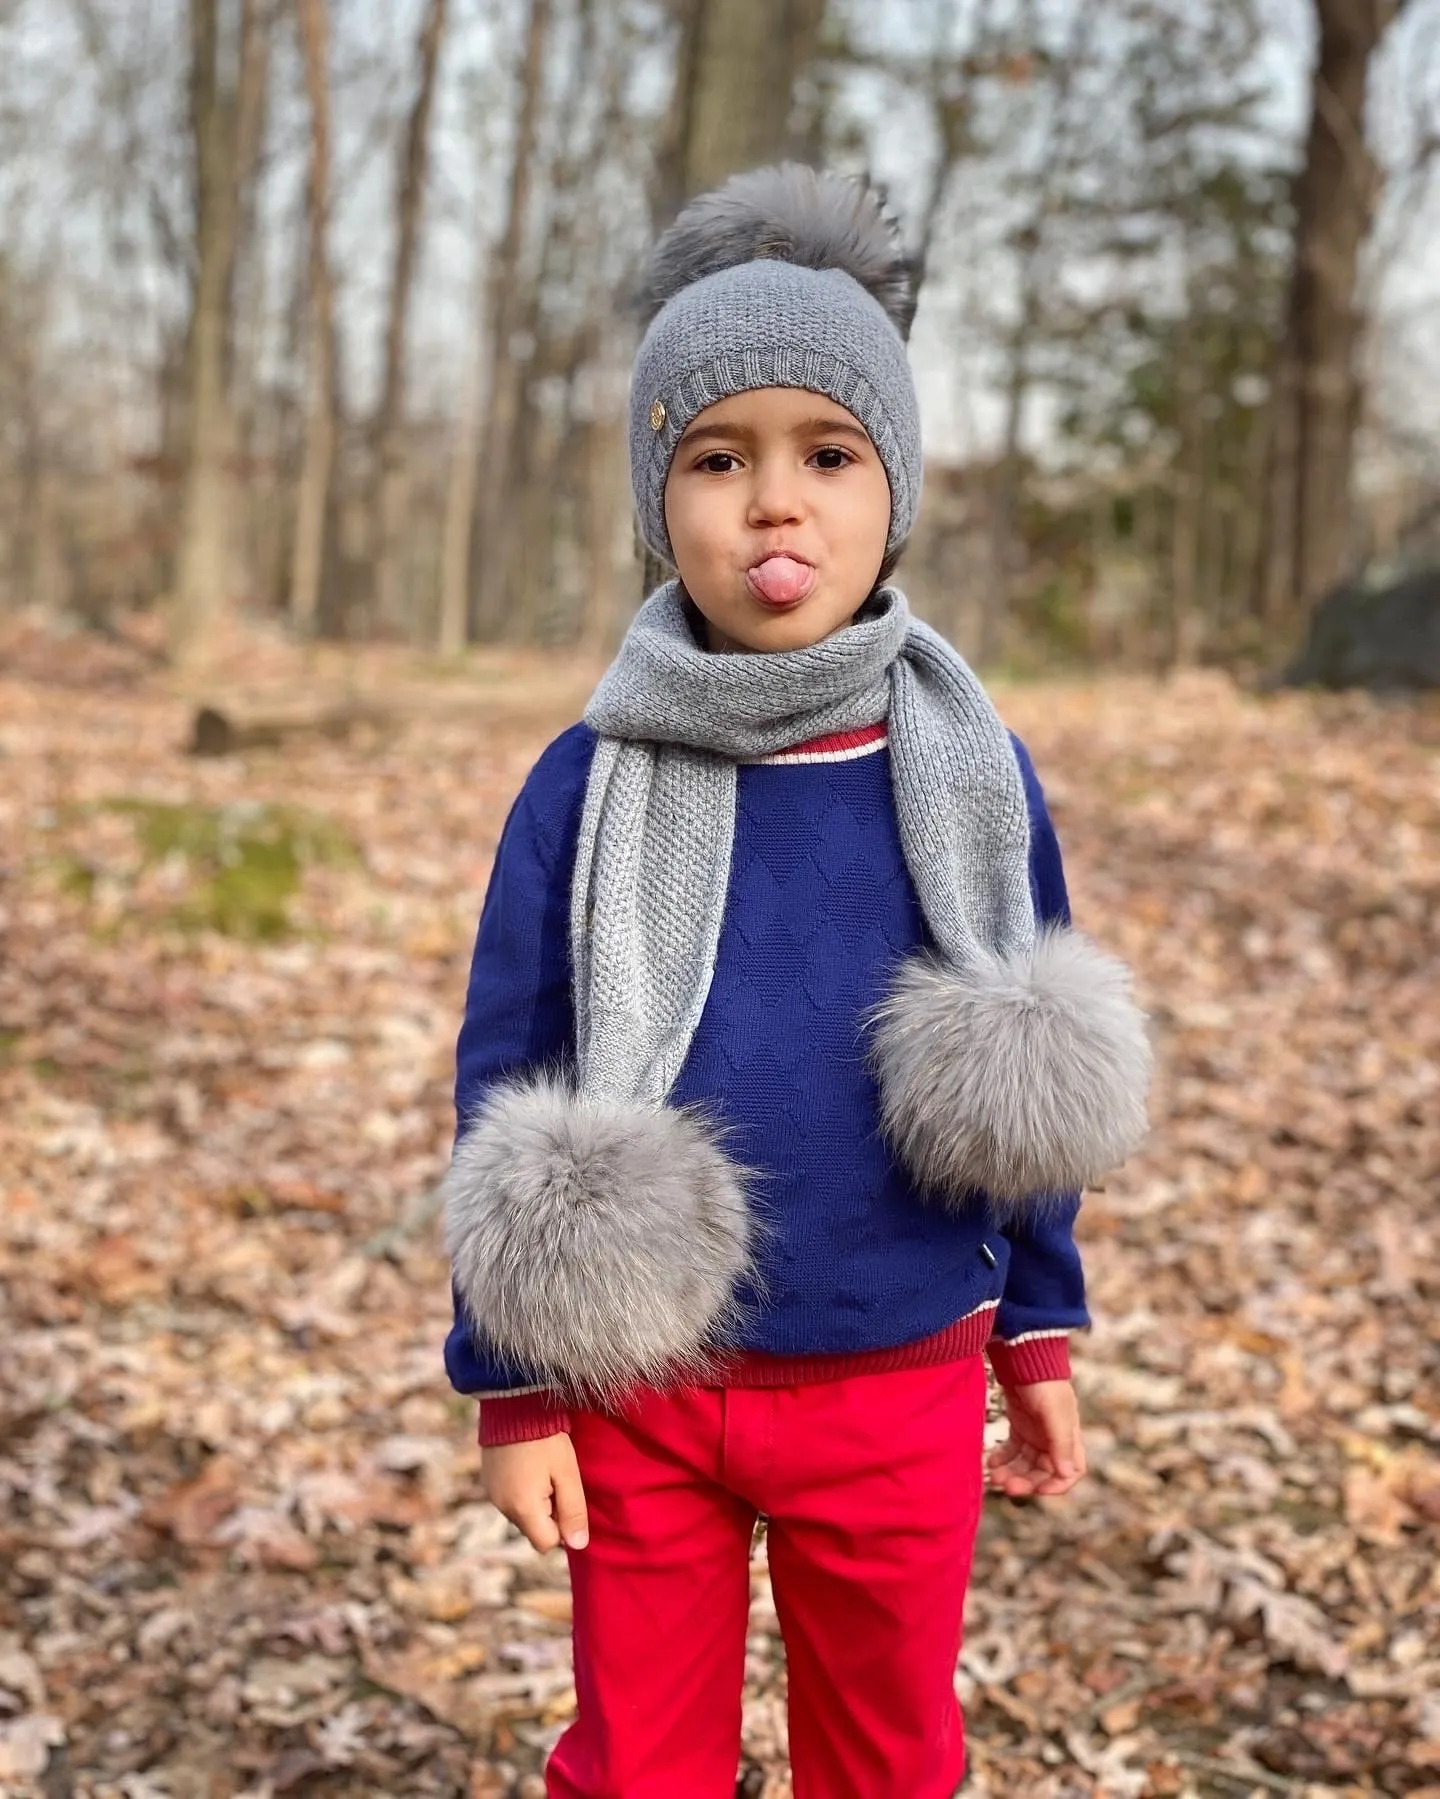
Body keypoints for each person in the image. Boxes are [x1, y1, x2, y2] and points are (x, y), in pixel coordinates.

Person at [441, 163, 1152, 1799]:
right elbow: (508, 1077)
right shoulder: (586, 779)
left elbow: (1027, 1070)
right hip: (644, 1384)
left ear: (890, 493)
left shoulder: (967, 770)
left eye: (828, 455)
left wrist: (1036, 1328)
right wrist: (514, 1382)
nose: (776, 503)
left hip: (898, 1369)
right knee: (640, 1765)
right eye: (717, 458)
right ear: (657, 502)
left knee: (890, 1758)